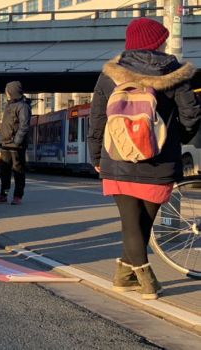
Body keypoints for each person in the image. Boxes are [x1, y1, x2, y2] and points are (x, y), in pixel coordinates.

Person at [87, 18, 200, 300]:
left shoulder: (110, 75)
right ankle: (139, 276)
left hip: (117, 158)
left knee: (131, 223)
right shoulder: (175, 73)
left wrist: (96, 154)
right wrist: (178, 138)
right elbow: (192, 114)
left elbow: (98, 119)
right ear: (158, 42)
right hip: (160, 162)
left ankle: (133, 276)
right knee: (142, 224)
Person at [0, 81, 31, 206]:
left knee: (18, 171)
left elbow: (24, 125)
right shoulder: (9, 105)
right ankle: (4, 194)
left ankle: (17, 196)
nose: (6, 93)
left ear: (12, 91)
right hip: (6, 144)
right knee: (4, 172)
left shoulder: (23, 106)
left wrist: (17, 141)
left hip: (16, 145)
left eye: (7, 90)